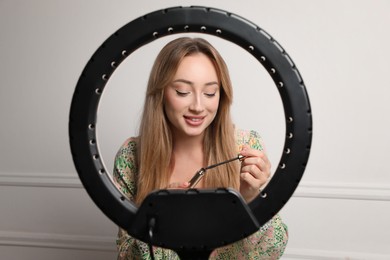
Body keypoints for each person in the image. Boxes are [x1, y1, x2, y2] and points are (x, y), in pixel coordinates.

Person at [113, 37, 288, 259]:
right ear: (161, 93)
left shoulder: (245, 147)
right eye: (183, 92)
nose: (197, 106)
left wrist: (252, 201)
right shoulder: (131, 156)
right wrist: (161, 216)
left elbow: (272, 250)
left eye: (210, 93)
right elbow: (126, 255)